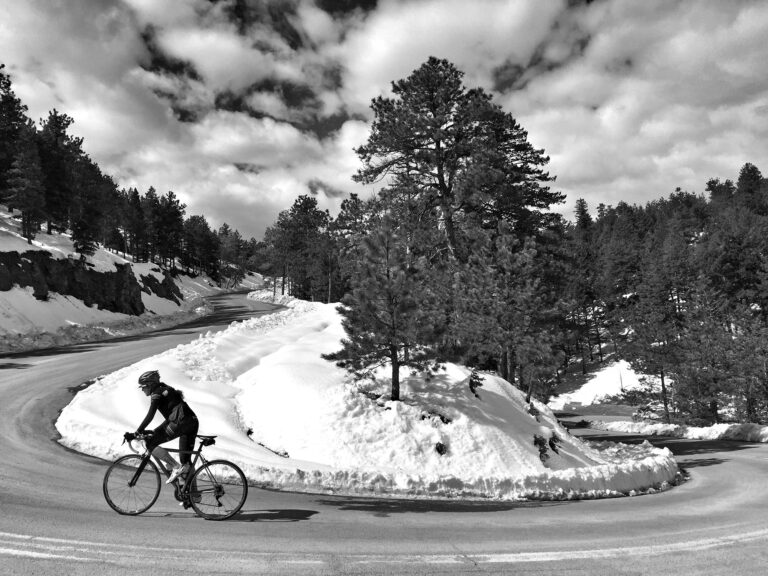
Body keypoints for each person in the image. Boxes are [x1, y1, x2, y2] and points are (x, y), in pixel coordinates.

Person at [135, 370, 199, 485]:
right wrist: (153, 431)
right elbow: (171, 417)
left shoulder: (156, 393)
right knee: (186, 462)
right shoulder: (165, 388)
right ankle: (193, 496)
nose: (142, 389)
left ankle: (174, 466)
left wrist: (137, 432)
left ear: (150, 384)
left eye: (143, 386)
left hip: (181, 421)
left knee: (151, 442)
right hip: (191, 421)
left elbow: (150, 415)